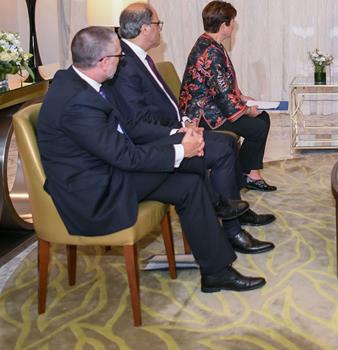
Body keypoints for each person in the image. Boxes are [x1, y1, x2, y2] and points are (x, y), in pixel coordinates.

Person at [37, 26, 265, 292]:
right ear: (104, 62)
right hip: (94, 193)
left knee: (189, 184)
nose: (122, 61)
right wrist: (181, 151)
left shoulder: (74, 80)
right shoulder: (79, 103)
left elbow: (120, 146)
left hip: (106, 169)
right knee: (187, 164)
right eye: (119, 56)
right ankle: (218, 208)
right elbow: (124, 155)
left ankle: (216, 271)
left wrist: (181, 143)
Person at [107, 2, 275, 254]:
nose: (160, 29)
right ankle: (232, 229)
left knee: (227, 144)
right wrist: (180, 132)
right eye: (158, 24)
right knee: (226, 146)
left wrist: (185, 123)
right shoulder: (125, 65)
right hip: (158, 141)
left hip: (181, 125)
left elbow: (168, 104)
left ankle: (234, 212)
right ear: (144, 28)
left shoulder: (139, 59)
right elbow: (137, 125)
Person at [179, 0, 277, 192]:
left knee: (262, 118)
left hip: (212, 106)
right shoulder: (211, 51)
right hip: (203, 116)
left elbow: (222, 85)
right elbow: (222, 94)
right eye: (232, 21)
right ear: (224, 25)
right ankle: (245, 174)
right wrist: (247, 110)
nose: (234, 25)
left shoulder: (208, 43)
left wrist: (242, 98)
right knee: (258, 126)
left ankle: (249, 173)